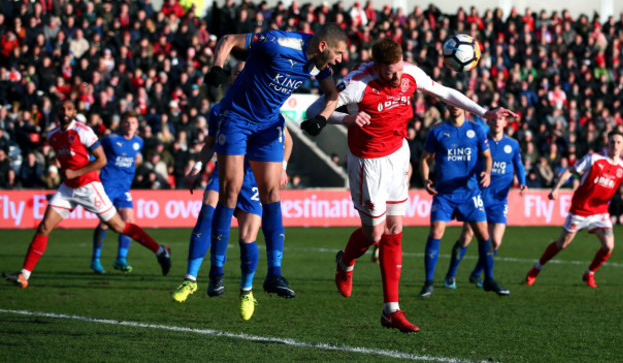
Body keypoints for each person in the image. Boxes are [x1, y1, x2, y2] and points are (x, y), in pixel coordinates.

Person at [306, 38, 515, 333]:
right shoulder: (356, 83)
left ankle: (391, 310)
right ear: (376, 66)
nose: (396, 77)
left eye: (399, 69)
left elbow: (444, 92)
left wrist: (484, 112)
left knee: (394, 230)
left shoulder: (409, 74)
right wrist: (348, 118)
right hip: (369, 163)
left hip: (398, 155)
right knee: (374, 233)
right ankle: (345, 261)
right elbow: (312, 112)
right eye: (389, 72)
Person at [202, 23, 347, 298]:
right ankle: (217, 271)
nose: (341, 60)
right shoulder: (277, 43)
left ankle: (274, 274)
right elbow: (228, 38)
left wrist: (322, 118)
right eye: (339, 53)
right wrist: (218, 68)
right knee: (229, 193)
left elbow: (332, 94)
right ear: (323, 46)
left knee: (272, 192)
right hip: (237, 119)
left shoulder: (319, 64)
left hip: (268, 125)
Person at [3, 100, 171, 289]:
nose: (65, 111)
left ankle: (160, 251)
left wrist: (75, 173)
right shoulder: (53, 135)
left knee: (119, 226)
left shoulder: (83, 131)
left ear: (74, 111)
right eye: (62, 108)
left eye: (69, 108)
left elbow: (102, 160)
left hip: (89, 187)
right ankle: (24, 275)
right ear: (57, 112)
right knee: (44, 227)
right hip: (68, 189)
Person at [172, 62, 292, 321]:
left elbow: (287, 138)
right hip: (225, 172)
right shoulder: (221, 109)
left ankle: (247, 291)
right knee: (207, 209)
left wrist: (281, 167)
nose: (241, 76)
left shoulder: (265, 103)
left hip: (253, 178)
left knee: (248, 237)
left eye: (245, 72)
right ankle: (193, 278)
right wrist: (197, 166)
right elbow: (210, 143)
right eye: (237, 72)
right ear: (232, 78)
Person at [418, 105, 511, 298]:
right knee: (436, 232)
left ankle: (489, 279)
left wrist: (487, 173)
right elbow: (425, 159)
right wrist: (426, 179)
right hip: (444, 194)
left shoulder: (476, 129)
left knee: (484, 236)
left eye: (456, 103)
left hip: (470, 193)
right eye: (449, 103)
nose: (453, 106)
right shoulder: (437, 130)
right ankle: (428, 283)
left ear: (463, 107)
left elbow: (487, 156)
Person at [524, 131, 623, 288]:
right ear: (607, 143)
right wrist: (556, 188)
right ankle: (536, 269)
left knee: (608, 247)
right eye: (612, 142)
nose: (615, 145)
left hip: (601, 212)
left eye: (619, 142)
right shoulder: (594, 159)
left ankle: (589, 273)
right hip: (580, 210)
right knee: (562, 244)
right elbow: (571, 171)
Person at [440, 115, 527, 290]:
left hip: (499, 201)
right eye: (494, 119)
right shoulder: (481, 142)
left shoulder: (513, 144)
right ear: (489, 122)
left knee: (495, 242)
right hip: (478, 197)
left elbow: (519, 165)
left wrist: (523, 181)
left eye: (500, 119)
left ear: (505, 123)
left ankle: (477, 274)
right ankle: (451, 274)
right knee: (466, 237)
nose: (497, 122)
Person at [89, 111, 143, 274]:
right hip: (107, 186)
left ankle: (121, 258)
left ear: (137, 125)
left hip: (123, 188)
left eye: (132, 123)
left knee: (129, 220)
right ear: (122, 124)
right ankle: (95, 259)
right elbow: (95, 155)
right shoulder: (110, 140)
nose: (129, 125)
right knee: (105, 222)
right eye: (127, 122)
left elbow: (133, 159)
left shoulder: (139, 142)